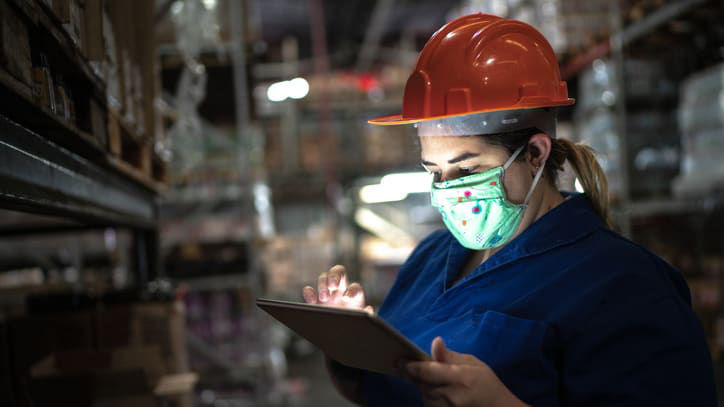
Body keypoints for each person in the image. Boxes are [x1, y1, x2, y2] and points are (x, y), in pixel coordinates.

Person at [302, 13, 717, 406]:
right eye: (434, 171)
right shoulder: (429, 258)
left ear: (536, 153)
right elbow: (380, 392)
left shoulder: (626, 286)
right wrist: (348, 346)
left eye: (467, 169)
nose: (447, 190)